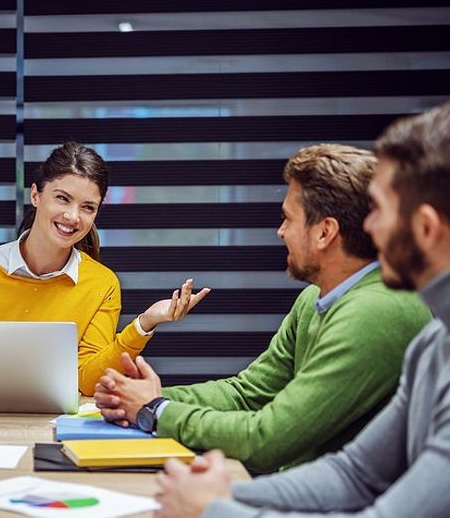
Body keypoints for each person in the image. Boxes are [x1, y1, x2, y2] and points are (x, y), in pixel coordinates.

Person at [153, 103, 450, 518]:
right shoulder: (435, 345)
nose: (369, 228)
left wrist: (212, 516)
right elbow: (355, 473)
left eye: (383, 212)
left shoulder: (385, 315)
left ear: (427, 228)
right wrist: (225, 494)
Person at [95, 144, 431, 473]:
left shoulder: (375, 313)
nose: (280, 231)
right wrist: (141, 398)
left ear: (325, 232)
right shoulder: (315, 299)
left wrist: (156, 410)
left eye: (288, 218)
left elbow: (266, 440)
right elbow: (247, 394)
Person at [0, 142, 209, 396]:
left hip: (56, 425)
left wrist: (146, 323)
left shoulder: (101, 283)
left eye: (87, 207)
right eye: (62, 198)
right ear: (36, 195)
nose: (73, 217)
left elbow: (87, 381)